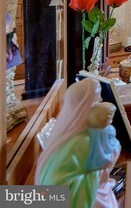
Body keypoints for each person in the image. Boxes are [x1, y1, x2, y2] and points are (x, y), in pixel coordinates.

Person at [36, 78, 121, 208]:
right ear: (83, 106)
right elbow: (105, 163)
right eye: (95, 101)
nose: (100, 103)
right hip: (74, 194)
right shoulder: (82, 141)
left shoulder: (66, 136)